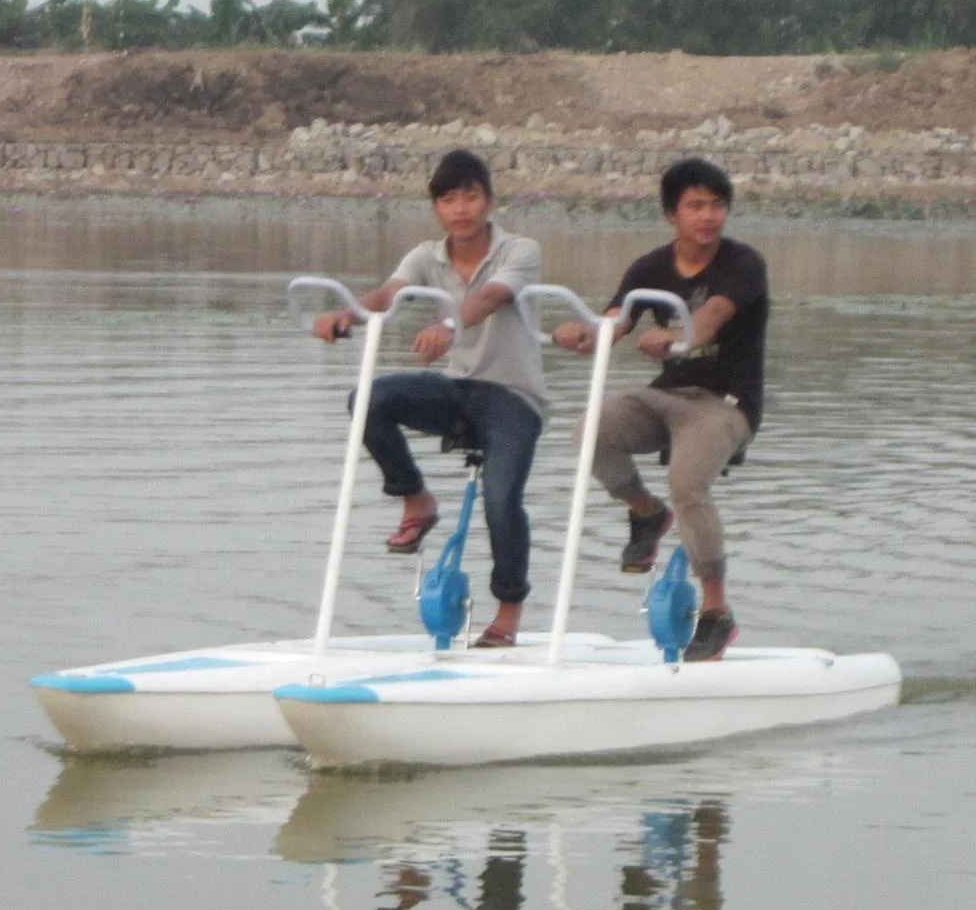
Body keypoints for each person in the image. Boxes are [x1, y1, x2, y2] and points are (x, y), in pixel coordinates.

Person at [312, 148, 546, 648]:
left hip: (513, 398)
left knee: (502, 500)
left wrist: (447, 324)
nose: (460, 209)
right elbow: (387, 293)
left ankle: (506, 615)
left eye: (470, 197)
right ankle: (416, 500)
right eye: (448, 199)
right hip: (460, 392)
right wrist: (346, 315)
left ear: (488, 202)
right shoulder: (426, 256)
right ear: (436, 208)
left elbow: (489, 299)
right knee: (368, 401)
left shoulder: (518, 251)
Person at [552, 157, 768, 661]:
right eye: (695, 206)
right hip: (667, 395)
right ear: (672, 214)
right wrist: (581, 333)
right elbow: (613, 322)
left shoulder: (743, 263)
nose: (708, 216)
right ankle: (647, 514)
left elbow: (711, 318)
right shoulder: (650, 267)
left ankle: (716, 612)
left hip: (725, 404)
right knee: (590, 434)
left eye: (717, 205)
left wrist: (678, 336)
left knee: (687, 483)